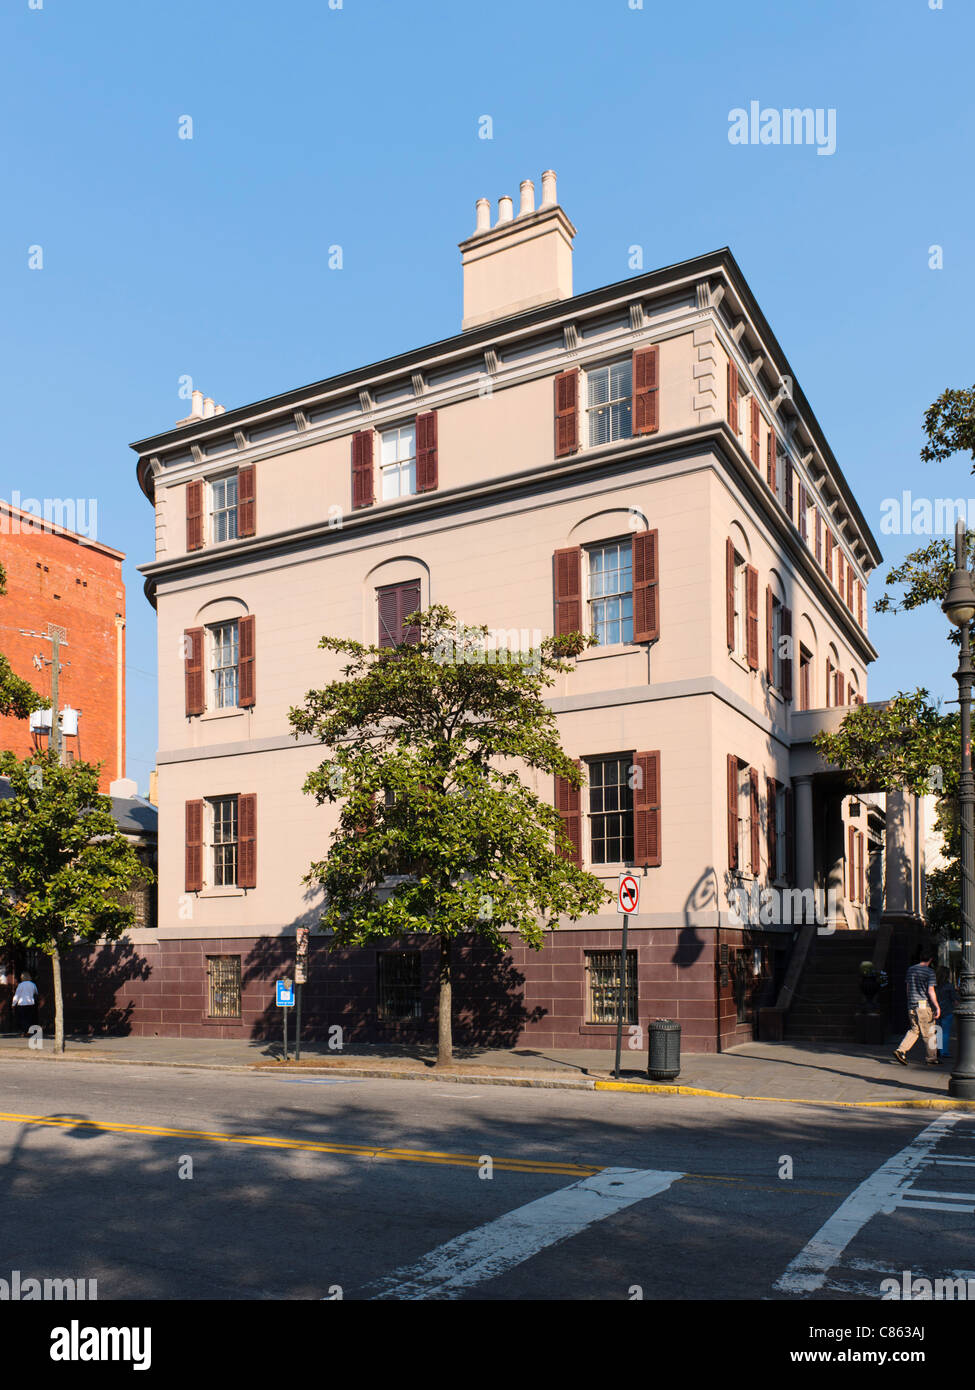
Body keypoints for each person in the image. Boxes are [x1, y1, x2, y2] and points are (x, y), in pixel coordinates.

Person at [893, 946, 940, 1067]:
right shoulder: (930, 972)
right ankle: (931, 1058)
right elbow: (931, 991)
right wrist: (937, 1006)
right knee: (929, 1032)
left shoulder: (911, 970)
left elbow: (908, 988)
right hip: (924, 1005)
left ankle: (901, 1050)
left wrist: (910, 1002)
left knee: (914, 1030)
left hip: (912, 1005)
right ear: (930, 959)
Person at [936, 966, 957, 1059]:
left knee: (937, 1031)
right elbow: (954, 999)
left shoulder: (934, 985)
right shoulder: (949, 986)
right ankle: (943, 1052)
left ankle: (936, 1051)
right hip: (947, 1010)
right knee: (945, 1032)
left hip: (936, 1010)